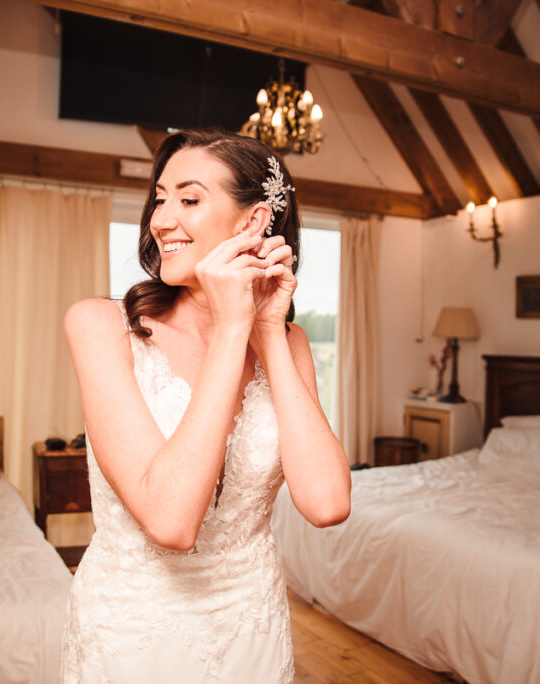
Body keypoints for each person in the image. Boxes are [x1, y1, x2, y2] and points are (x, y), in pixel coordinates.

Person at [61, 129, 351, 683]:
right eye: (161, 198)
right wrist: (230, 330)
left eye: (188, 199)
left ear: (252, 222)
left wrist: (265, 330)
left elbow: (327, 502)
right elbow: (171, 522)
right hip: (133, 633)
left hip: (252, 626)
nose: (161, 219)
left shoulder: (287, 344)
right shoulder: (101, 326)